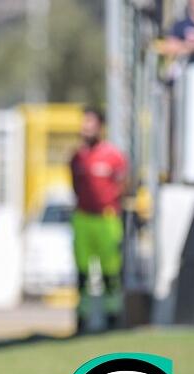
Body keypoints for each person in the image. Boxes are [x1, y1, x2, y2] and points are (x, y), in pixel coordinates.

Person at [69, 108, 128, 333]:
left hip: (107, 219)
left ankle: (112, 318)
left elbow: (122, 186)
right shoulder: (77, 157)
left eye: (90, 123)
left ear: (100, 126)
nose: (86, 128)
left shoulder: (114, 156)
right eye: (84, 123)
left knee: (110, 273)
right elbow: (75, 186)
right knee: (82, 274)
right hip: (83, 219)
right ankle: (81, 320)